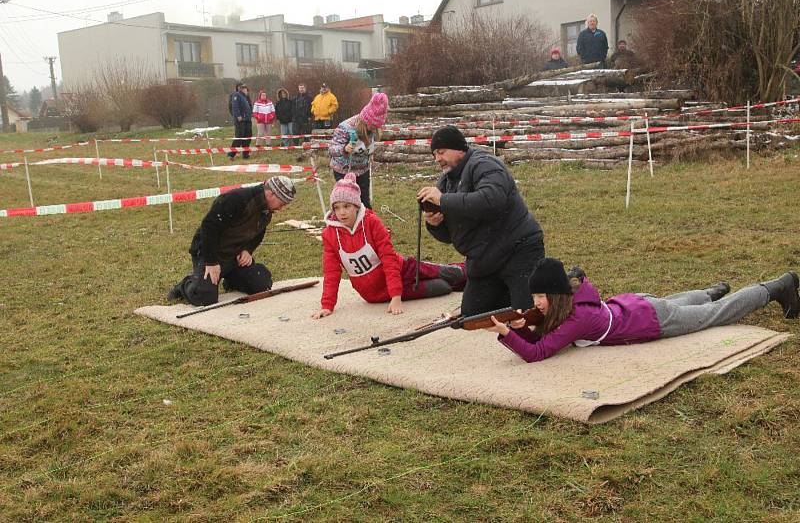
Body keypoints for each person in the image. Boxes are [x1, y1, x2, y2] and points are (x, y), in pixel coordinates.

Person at [485, 258, 800, 363]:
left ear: (557, 294)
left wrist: (506, 333)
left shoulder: (578, 318)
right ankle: (706, 291)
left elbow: (539, 352)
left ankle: (777, 287)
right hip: (638, 305)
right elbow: (541, 332)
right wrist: (516, 326)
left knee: (718, 314)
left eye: (541, 295)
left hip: (650, 317)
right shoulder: (572, 301)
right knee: (676, 302)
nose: (537, 302)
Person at [417, 126, 545, 317]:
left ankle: (558, 289)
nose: (437, 159)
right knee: (473, 315)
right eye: (434, 154)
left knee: (528, 314)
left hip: (517, 250)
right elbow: (452, 235)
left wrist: (443, 200)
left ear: (459, 148)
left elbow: (491, 200)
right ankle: (510, 294)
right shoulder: (446, 181)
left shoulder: (485, 164)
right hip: (484, 260)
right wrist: (435, 224)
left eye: (441, 152)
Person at [311, 173, 466, 319]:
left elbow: (388, 258)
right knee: (443, 287)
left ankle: (475, 271)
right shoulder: (329, 235)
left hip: (403, 270)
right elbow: (331, 271)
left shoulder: (372, 222)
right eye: (336, 207)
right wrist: (327, 305)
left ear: (357, 206)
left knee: (453, 274)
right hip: (375, 295)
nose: (342, 212)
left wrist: (396, 296)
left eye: (346, 206)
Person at [167, 176, 296, 306]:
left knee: (262, 284)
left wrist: (248, 250)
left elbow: (259, 231)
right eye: (282, 203)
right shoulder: (236, 199)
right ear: (271, 193)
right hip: (210, 253)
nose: (281, 208)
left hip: (235, 256)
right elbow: (209, 226)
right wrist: (211, 262)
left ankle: (232, 281)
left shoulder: (267, 208)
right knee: (205, 297)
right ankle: (185, 285)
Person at [328, 93, 389, 209]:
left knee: (364, 204)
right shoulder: (346, 127)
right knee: (347, 203)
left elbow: (368, 148)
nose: (373, 128)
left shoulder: (373, 130)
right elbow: (331, 149)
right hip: (344, 171)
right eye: (371, 125)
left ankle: (366, 225)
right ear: (365, 120)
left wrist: (370, 156)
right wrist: (344, 149)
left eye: (376, 126)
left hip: (363, 171)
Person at [228, 83, 253, 160]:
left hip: (247, 120)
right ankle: (231, 154)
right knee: (239, 137)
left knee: (248, 137)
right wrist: (238, 116)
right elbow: (234, 106)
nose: (247, 91)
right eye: (245, 89)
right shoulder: (236, 95)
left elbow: (249, 106)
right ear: (242, 89)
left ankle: (245, 154)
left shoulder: (246, 97)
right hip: (240, 120)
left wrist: (250, 114)